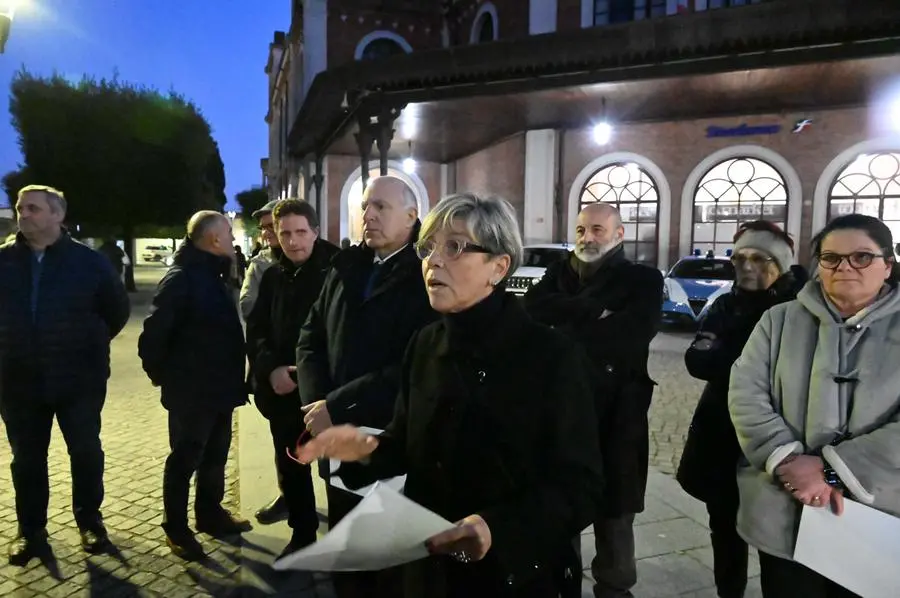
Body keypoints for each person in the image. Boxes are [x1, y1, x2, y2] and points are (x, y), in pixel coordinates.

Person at [295, 193, 603, 597]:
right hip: (429, 571)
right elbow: (406, 441)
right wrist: (365, 448)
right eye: (428, 247)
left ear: (499, 266)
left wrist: (496, 528)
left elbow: (580, 487)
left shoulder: (551, 357)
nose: (432, 261)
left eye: (454, 246)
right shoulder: (424, 343)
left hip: (514, 578)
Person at [730, 213, 900, 598]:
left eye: (861, 257)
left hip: (879, 511)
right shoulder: (779, 320)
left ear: (887, 265)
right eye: (831, 258)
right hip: (786, 503)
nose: (845, 267)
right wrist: (788, 460)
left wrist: (832, 470)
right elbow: (746, 391)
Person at [295, 175, 436, 597]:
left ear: (412, 216)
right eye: (365, 207)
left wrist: (337, 406)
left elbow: (411, 365)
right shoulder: (345, 268)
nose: (368, 215)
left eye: (381, 208)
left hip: (387, 440)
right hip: (334, 437)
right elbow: (310, 338)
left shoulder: (425, 276)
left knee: (387, 565)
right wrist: (316, 405)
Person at [524, 202, 663, 598]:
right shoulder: (559, 272)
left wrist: (563, 329)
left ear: (619, 235)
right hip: (561, 413)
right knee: (560, 504)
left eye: (598, 230)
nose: (587, 238)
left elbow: (632, 333)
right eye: (582, 229)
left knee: (614, 515)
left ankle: (614, 589)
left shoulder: (642, 279)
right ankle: (563, 584)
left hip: (617, 416)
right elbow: (529, 311)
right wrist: (593, 310)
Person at [0, 185, 130, 565]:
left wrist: (88, 346)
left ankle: (90, 522)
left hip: (79, 381)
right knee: (26, 459)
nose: (24, 215)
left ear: (58, 215)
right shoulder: (3, 261)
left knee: (86, 453)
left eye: (34, 209)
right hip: (18, 380)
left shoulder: (88, 262)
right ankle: (30, 530)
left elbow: (116, 310)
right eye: (22, 208)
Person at [676, 221, 802, 598]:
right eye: (740, 258)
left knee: (774, 537)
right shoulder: (726, 303)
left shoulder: (798, 308)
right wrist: (749, 360)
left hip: (778, 437)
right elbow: (697, 361)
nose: (747, 267)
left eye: (760, 259)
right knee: (724, 528)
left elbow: (789, 371)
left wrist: (729, 357)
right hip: (720, 435)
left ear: (780, 264)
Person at [138, 211, 251, 561]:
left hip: (220, 388)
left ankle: (210, 514)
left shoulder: (211, 273)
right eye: (228, 232)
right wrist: (169, 380)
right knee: (185, 459)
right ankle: (176, 527)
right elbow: (152, 339)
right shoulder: (183, 278)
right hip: (193, 392)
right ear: (214, 239)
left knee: (216, 455)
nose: (233, 238)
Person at [245, 200, 339, 558]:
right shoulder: (272, 276)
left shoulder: (337, 271)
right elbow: (257, 331)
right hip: (283, 393)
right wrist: (270, 369)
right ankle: (303, 535)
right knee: (291, 466)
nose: (293, 241)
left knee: (335, 472)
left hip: (327, 393)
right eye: (285, 233)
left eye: (301, 232)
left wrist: (311, 376)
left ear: (315, 231)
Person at [239, 198, 288, 525]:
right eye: (265, 227)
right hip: (276, 367)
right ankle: (289, 494)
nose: (267, 232)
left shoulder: (323, 260)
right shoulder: (261, 266)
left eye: (273, 226)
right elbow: (247, 309)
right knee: (284, 439)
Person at [240, 199, 280, 319]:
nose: (265, 233)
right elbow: (247, 306)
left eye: (271, 226)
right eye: (262, 227)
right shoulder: (259, 263)